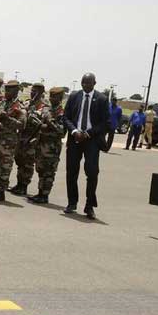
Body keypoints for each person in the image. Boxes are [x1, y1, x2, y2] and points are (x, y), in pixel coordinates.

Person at [63, 73, 111, 219]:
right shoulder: (74, 96)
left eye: (88, 83)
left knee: (92, 172)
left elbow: (105, 123)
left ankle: (89, 205)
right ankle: (72, 203)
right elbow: (65, 117)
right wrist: (74, 130)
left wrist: (88, 133)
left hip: (92, 140)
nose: (85, 85)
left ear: (94, 83)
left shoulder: (102, 99)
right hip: (74, 139)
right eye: (83, 82)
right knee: (71, 171)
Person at [0, 80, 26, 202]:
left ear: (16, 91)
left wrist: (7, 119)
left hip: (8, 143)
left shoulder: (19, 107)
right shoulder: (0, 104)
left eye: (10, 90)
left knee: (4, 167)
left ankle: (0, 191)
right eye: (6, 89)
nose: (6, 92)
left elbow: (21, 125)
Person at [29, 87, 66, 204]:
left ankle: (45, 195)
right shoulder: (46, 109)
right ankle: (40, 192)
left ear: (60, 98)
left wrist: (49, 123)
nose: (52, 99)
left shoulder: (61, 113)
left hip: (52, 147)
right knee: (40, 169)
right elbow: (38, 123)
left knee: (49, 172)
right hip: (41, 144)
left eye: (54, 96)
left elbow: (61, 132)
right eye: (51, 96)